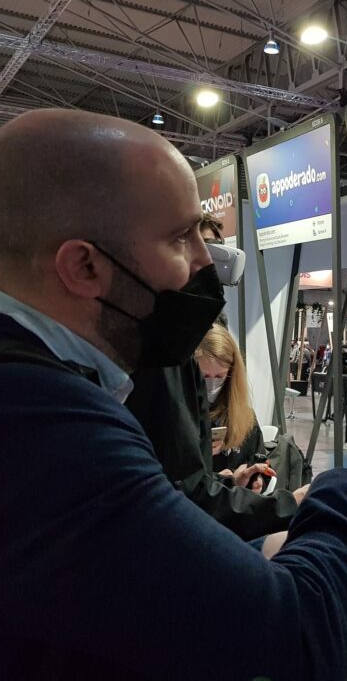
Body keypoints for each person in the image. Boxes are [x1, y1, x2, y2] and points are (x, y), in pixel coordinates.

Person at [0, 109, 347, 679]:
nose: (204, 262)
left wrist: (250, 559)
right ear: (84, 266)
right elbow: (298, 634)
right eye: (180, 238)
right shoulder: (30, 422)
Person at [125, 214, 297, 541]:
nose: (207, 262)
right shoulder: (161, 357)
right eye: (189, 243)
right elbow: (184, 490)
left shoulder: (184, 348)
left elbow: (190, 484)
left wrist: (228, 483)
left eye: (214, 250)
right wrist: (289, 506)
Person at [195, 325, 265, 482]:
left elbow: (259, 460)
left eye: (220, 376)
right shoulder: (179, 417)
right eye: (204, 376)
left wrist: (257, 480)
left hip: (238, 496)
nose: (212, 383)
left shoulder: (245, 417)